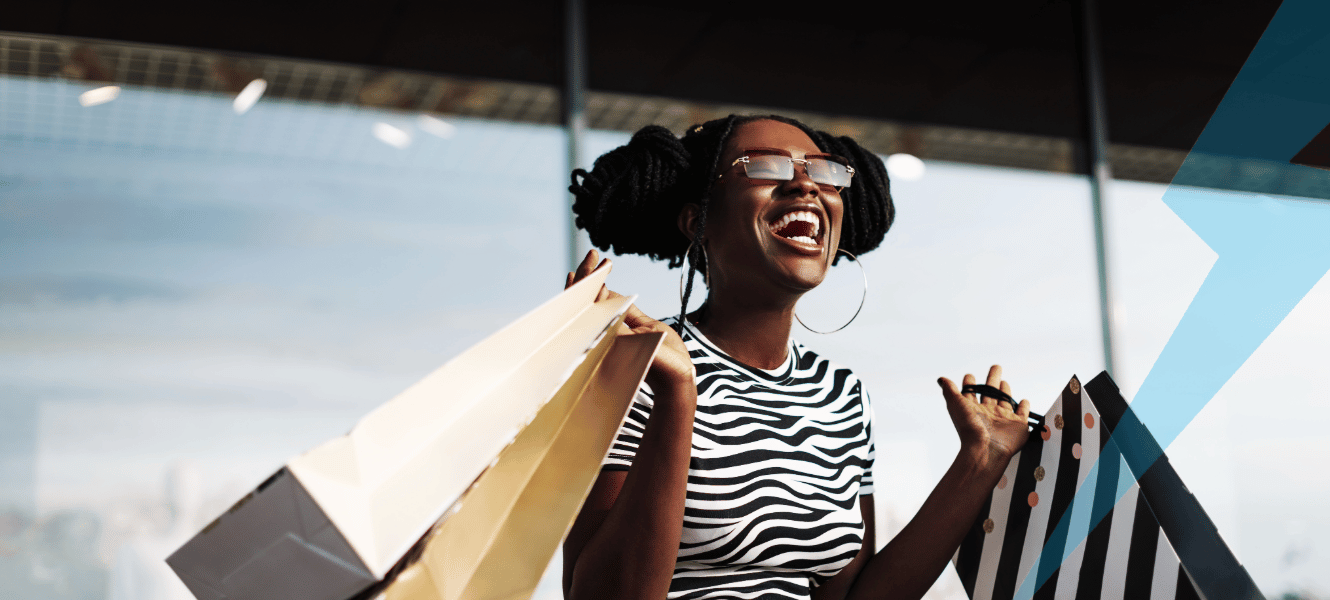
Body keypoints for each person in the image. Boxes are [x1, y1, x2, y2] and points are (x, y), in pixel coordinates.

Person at [560, 114, 1032, 600]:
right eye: (765, 167)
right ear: (699, 222)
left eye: (823, 171)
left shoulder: (841, 394)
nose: (805, 184)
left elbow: (850, 599)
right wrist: (678, 395)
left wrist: (980, 459)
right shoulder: (641, 367)